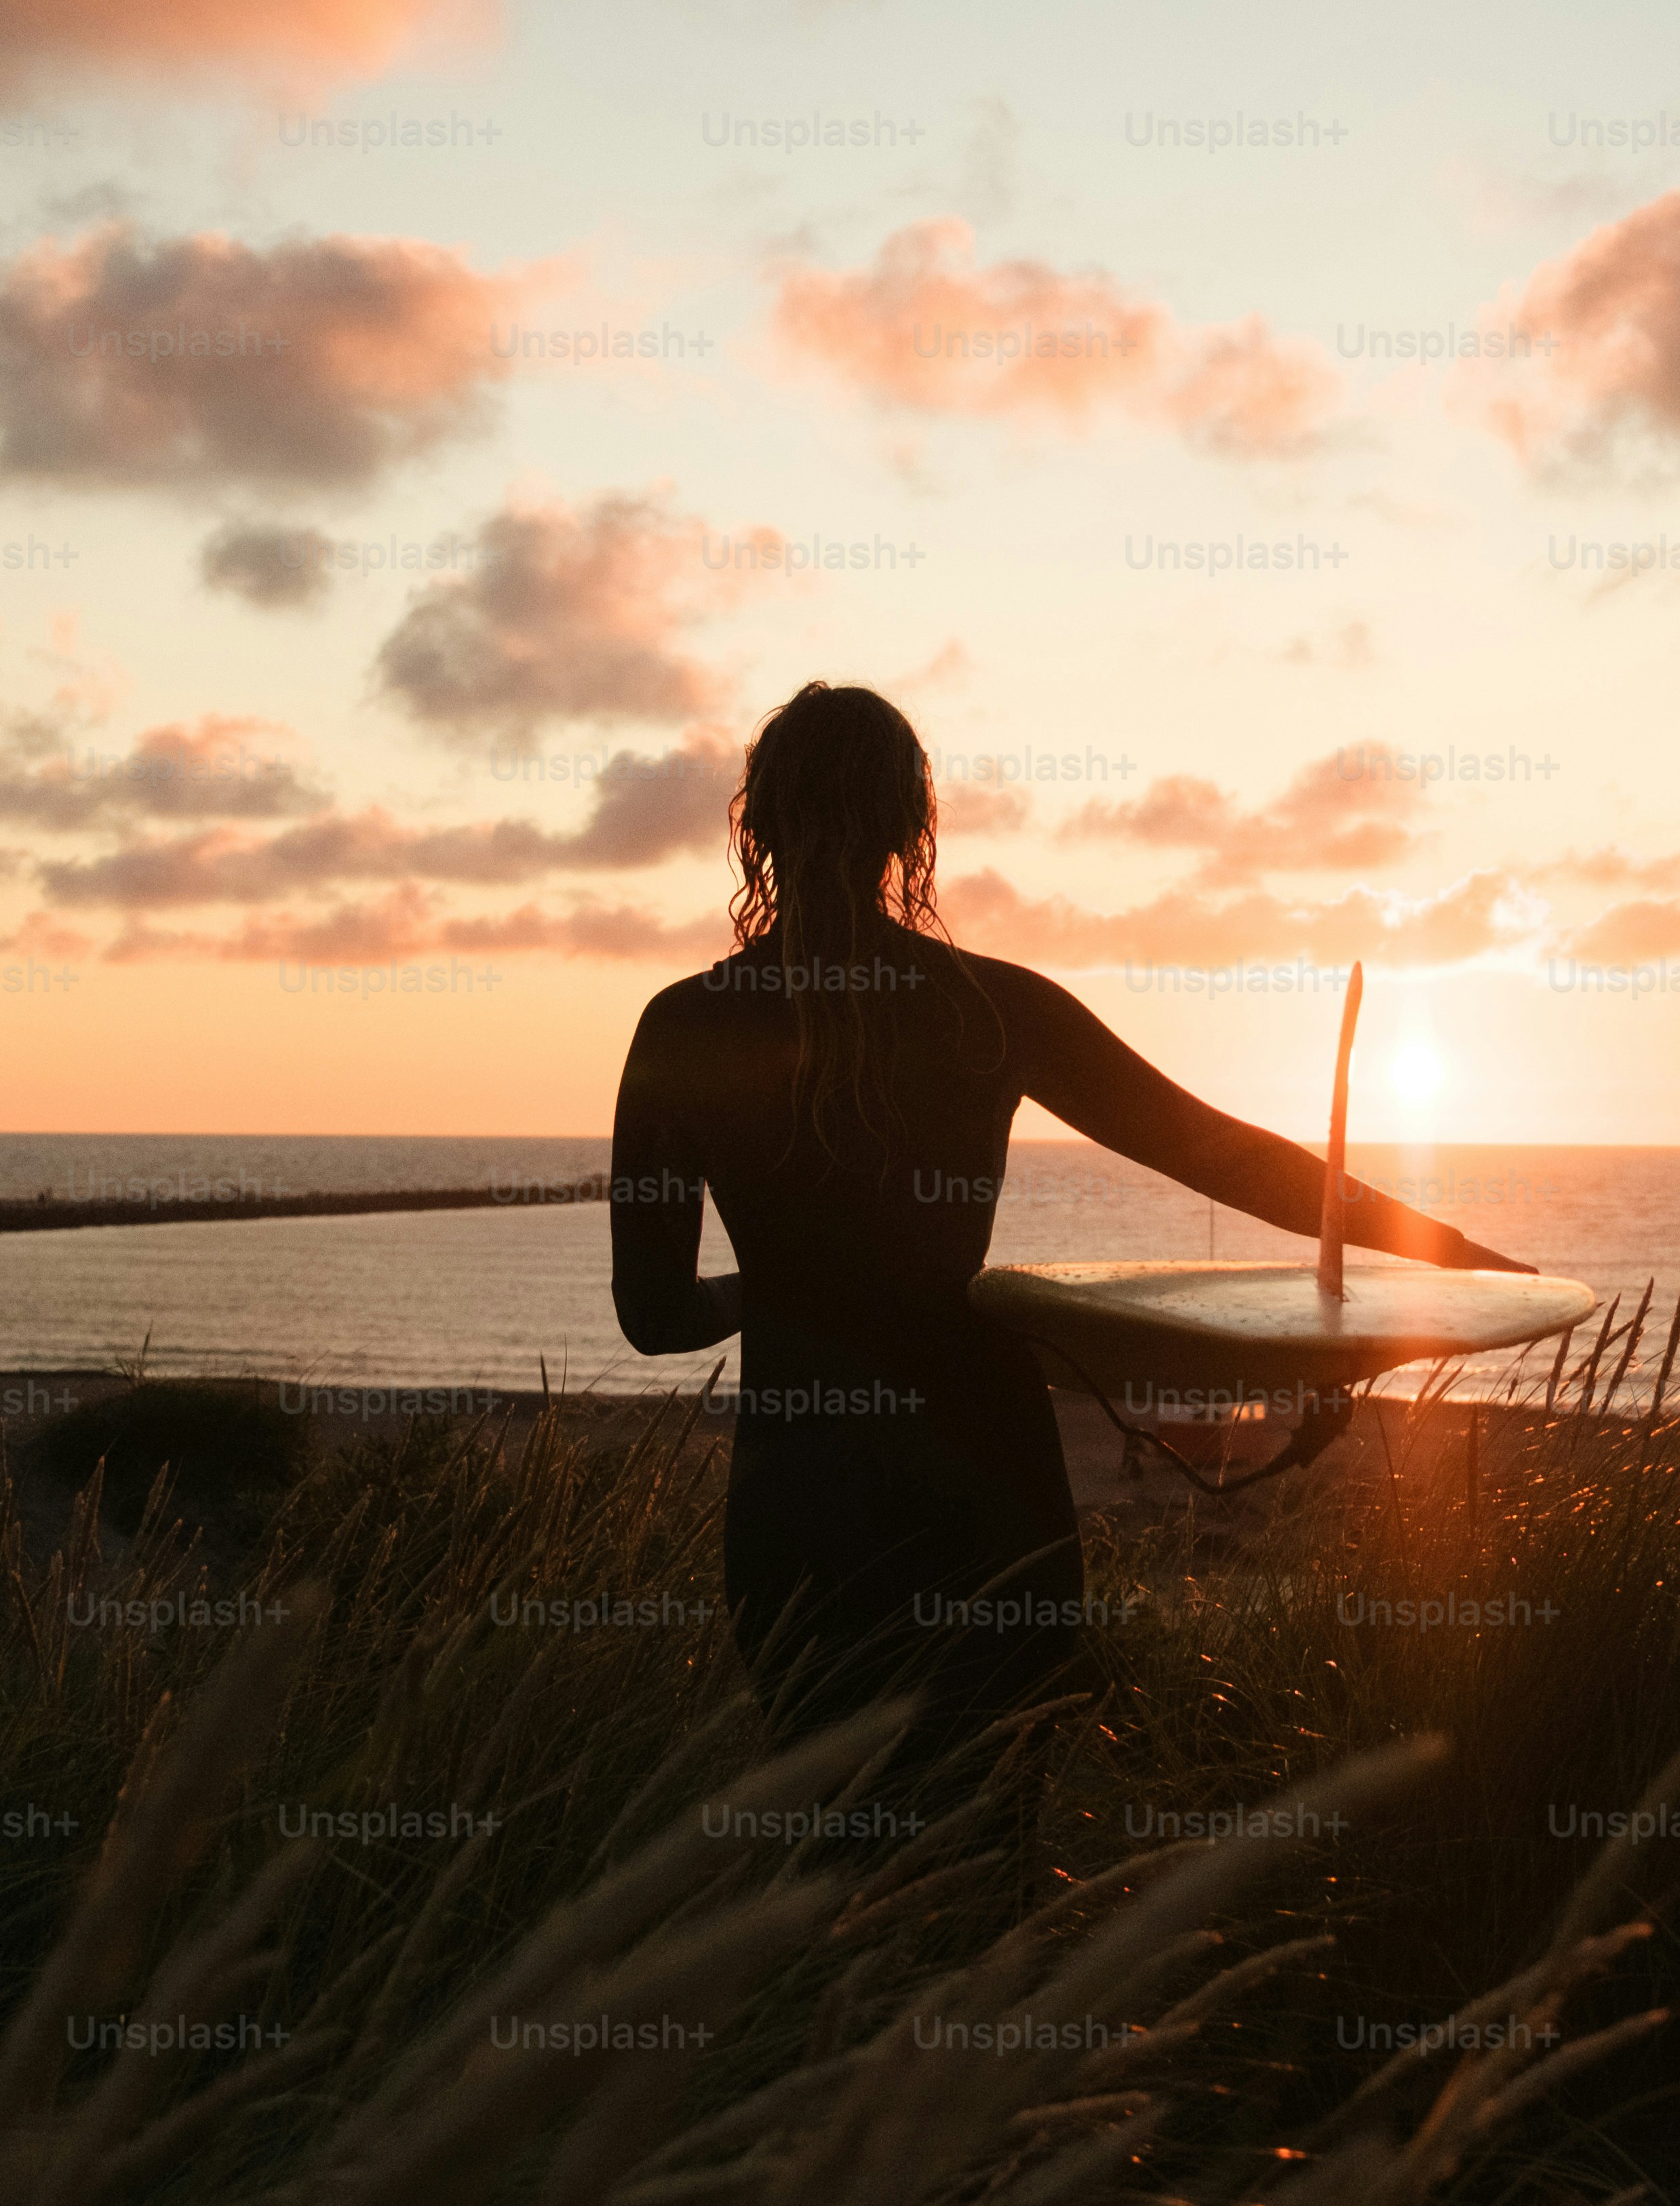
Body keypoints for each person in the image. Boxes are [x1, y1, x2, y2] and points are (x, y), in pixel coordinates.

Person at [608, 682, 1527, 1782]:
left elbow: (656, 1318)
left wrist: (778, 1290)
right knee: (994, 1838)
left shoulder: (683, 1025)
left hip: (799, 1501)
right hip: (984, 1490)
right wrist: (1449, 1249)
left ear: (754, 826)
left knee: (837, 1854)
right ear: (915, 831)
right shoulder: (996, 1011)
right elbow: (1224, 1154)